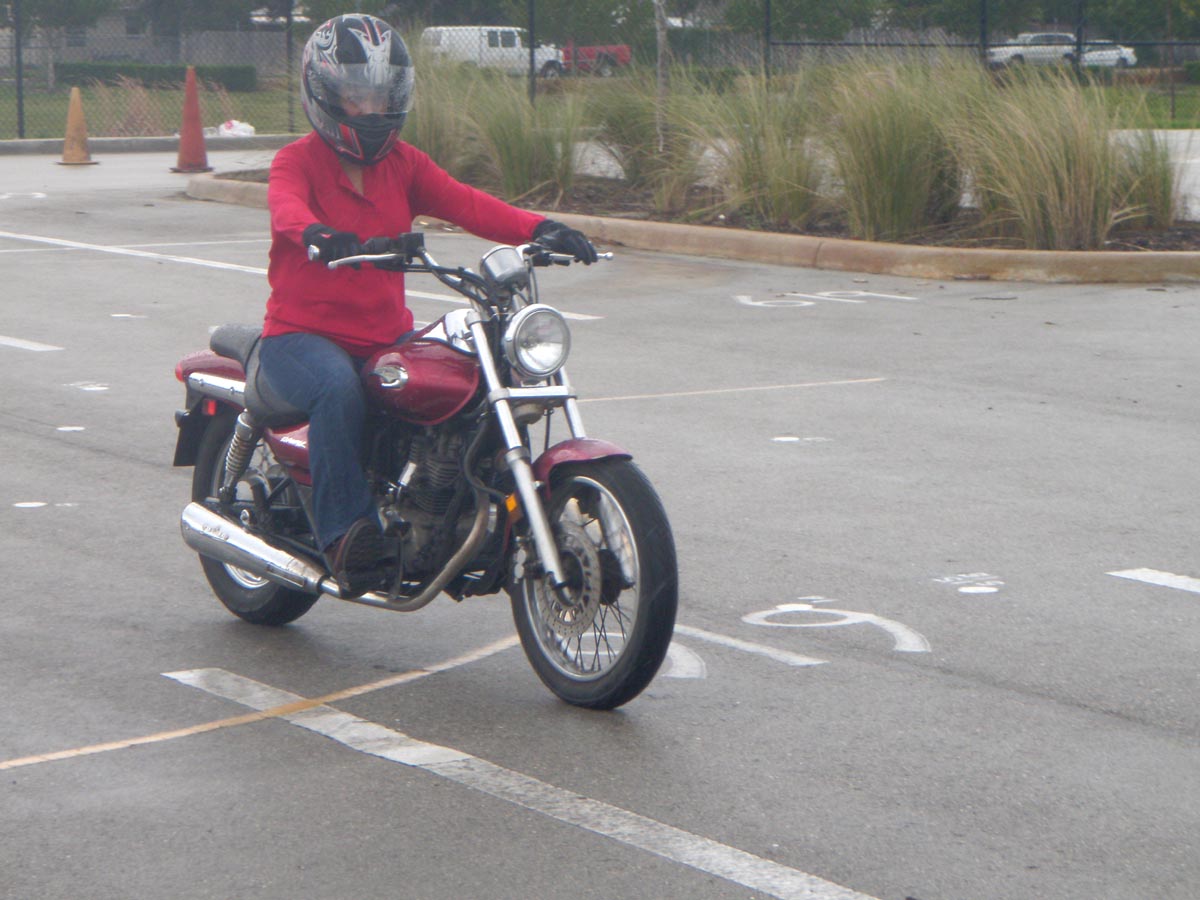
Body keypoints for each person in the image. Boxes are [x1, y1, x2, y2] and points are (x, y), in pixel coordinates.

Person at [259, 13, 597, 597]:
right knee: (336, 388)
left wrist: (540, 227)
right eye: (356, 96)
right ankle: (345, 535)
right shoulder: (297, 161)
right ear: (324, 93)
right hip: (299, 337)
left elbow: (468, 203)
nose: (370, 108)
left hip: (384, 336)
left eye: (380, 95)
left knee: (456, 378)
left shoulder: (405, 165)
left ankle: (446, 511)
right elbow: (286, 207)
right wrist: (316, 234)